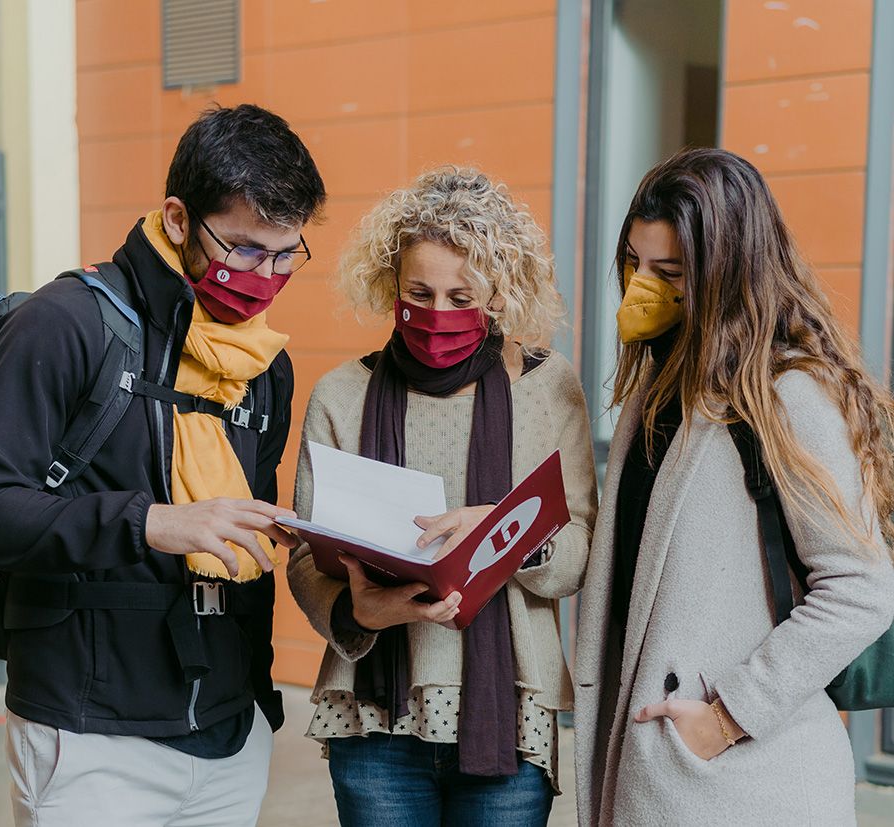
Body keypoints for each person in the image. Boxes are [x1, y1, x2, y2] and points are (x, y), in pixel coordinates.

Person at [0, 104, 326, 826]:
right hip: (89, 736)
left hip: (230, 734)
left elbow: (248, 543)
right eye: (242, 248)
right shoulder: (65, 322)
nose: (264, 276)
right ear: (178, 218)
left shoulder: (265, 365)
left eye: (285, 254)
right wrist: (148, 521)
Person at [573, 147, 894, 826]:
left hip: (741, 779)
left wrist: (726, 718)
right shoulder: (660, 387)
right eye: (634, 262)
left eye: (671, 272)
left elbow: (862, 589)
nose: (642, 286)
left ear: (728, 273)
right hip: (655, 765)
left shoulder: (790, 395)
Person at [287, 167, 598, 827]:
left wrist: (503, 528)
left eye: (463, 296)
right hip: (374, 721)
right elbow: (307, 559)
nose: (439, 315)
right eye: (419, 292)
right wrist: (358, 609)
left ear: (500, 292)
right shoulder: (342, 394)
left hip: (509, 714)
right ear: (390, 286)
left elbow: (576, 555)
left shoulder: (548, 388)